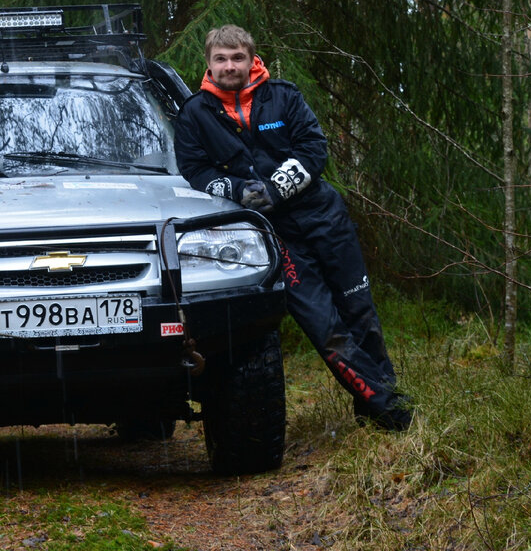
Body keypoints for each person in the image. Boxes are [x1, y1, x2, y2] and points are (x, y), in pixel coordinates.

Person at [173, 25, 412, 431]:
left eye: (237, 58)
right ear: (208, 64)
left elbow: (314, 148)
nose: (229, 66)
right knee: (324, 327)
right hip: (273, 234)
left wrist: (276, 187)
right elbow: (195, 170)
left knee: (360, 312)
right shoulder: (195, 113)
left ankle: (377, 405)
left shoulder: (284, 96)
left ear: (252, 60)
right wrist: (239, 190)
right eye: (221, 59)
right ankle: (393, 413)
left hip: (324, 217)